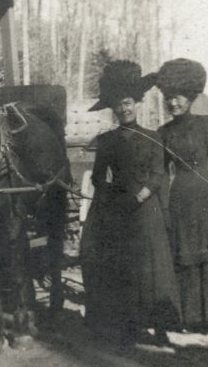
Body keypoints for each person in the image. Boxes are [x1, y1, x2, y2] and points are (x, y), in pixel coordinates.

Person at [80, 60, 181, 346]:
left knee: (152, 269)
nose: (124, 109)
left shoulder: (153, 137)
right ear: (113, 108)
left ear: (136, 103)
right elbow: (99, 178)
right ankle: (128, 326)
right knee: (121, 268)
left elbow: (159, 173)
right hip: (119, 210)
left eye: (127, 103)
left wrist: (143, 194)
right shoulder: (107, 140)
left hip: (146, 211)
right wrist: (112, 197)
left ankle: (160, 328)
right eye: (118, 105)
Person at [157, 58, 208, 337]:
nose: (172, 103)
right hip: (179, 200)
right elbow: (163, 174)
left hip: (206, 195)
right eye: (167, 98)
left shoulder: (207, 125)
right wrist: (164, 207)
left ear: (189, 96)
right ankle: (190, 317)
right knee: (184, 257)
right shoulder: (163, 133)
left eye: (177, 97)